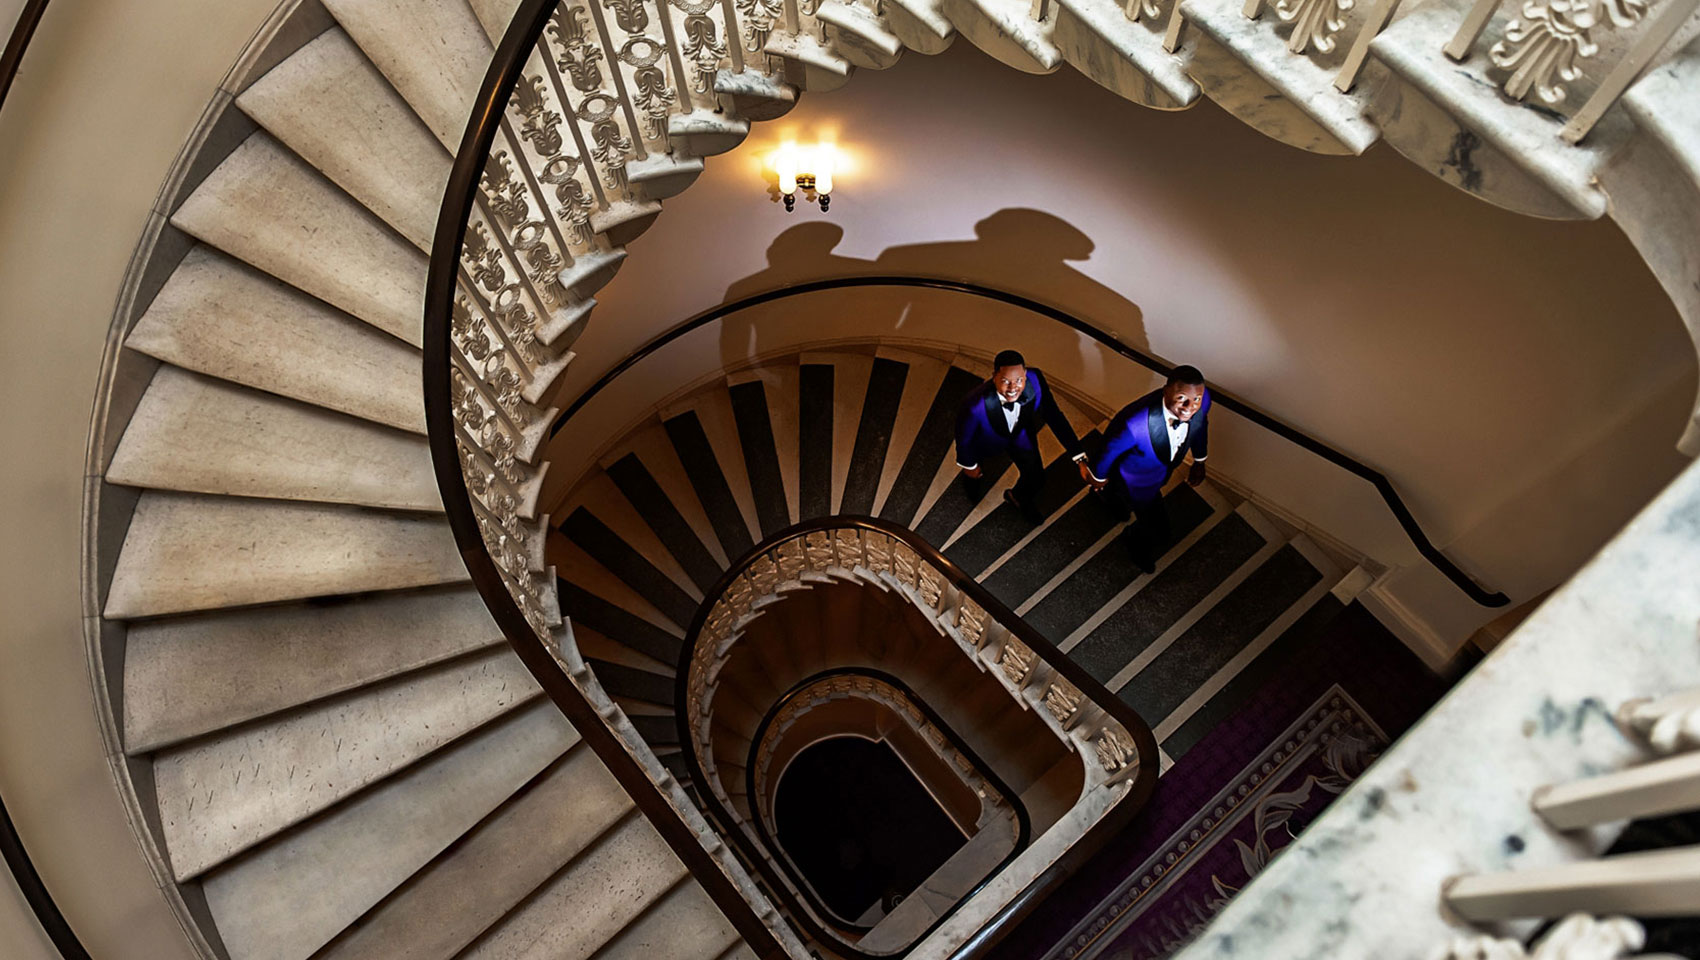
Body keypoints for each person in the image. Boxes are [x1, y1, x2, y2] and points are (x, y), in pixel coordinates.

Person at [1081, 365, 1211, 573]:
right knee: (1160, 531)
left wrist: (1199, 460)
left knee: (1116, 497)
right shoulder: (1134, 423)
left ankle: (1111, 500)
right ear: (1165, 390)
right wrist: (1097, 477)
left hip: (1157, 471)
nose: (1190, 406)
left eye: (1196, 399)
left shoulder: (1202, 401)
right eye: (1181, 398)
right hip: (1135, 480)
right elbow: (1109, 449)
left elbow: (1200, 425)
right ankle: (1134, 540)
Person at [955, 349, 1087, 523]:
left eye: (1019, 380)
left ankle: (1017, 497)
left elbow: (1054, 416)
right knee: (973, 478)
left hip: (1021, 435)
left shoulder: (1036, 379)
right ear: (994, 376)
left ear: (1025, 375)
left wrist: (1078, 457)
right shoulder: (974, 404)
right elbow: (964, 440)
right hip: (987, 440)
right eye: (1005, 381)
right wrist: (970, 467)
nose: (1012, 388)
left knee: (1037, 477)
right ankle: (972, 483)